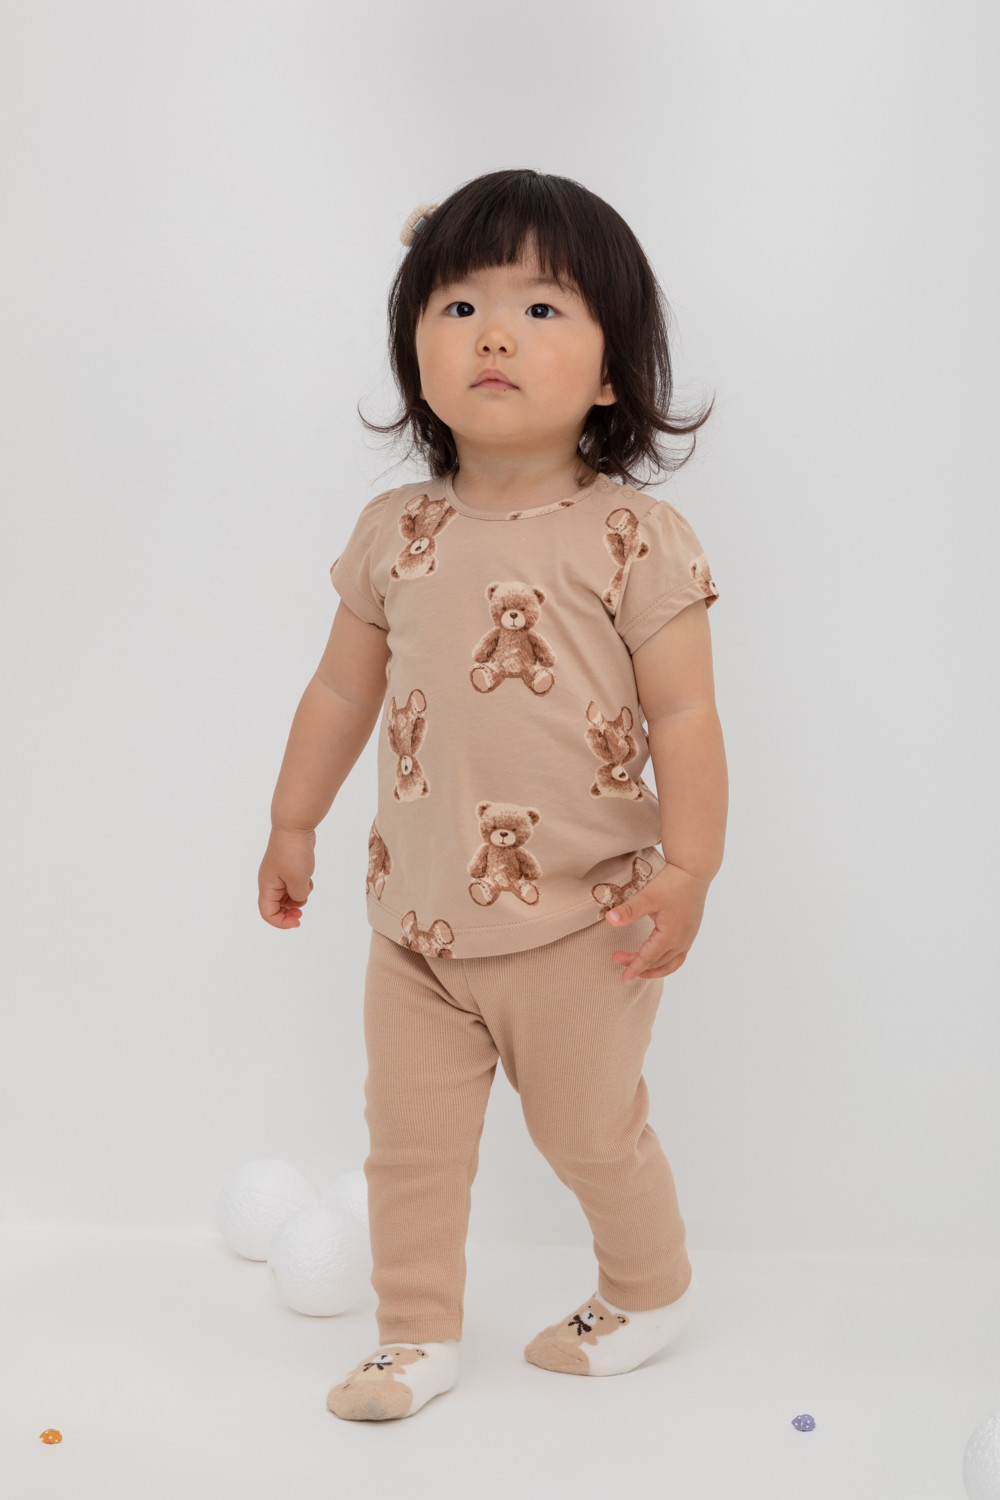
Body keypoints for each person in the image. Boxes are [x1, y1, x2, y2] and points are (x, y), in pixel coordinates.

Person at [257, 169, 727, 1422]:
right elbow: (340, 693)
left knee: (587, 1130)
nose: (495, 336)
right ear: (416, 352)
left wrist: (689, 870)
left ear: (614, 373)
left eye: (541, 308)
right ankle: (413, 1337)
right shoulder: (393, 532)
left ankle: (648, 1288)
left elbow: (686, 718)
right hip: (414, 923)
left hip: (584, 922)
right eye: (459, 307)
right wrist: (293, 819)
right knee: (408, 1144)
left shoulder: (632, 540)